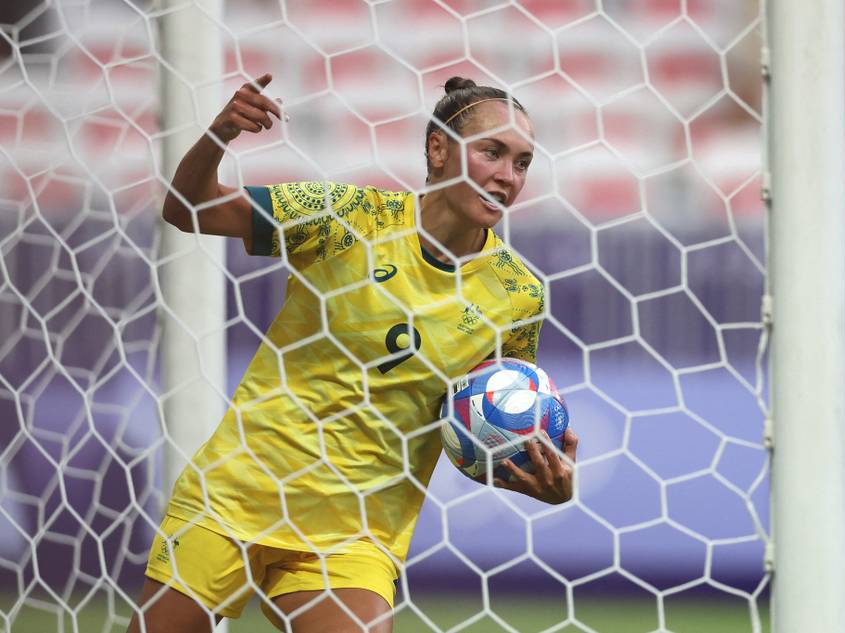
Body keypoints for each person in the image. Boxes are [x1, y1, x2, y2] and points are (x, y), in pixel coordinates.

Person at [127, 74, 579, 633]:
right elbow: (188, 209)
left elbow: (480, 429)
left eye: (523, 162)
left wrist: (533, 477)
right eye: (493, 152)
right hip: (238, 493)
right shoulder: (347, 216)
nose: (508, 177)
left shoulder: (518, 294)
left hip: (356, 532)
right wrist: (219, 134)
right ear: (439, 148)